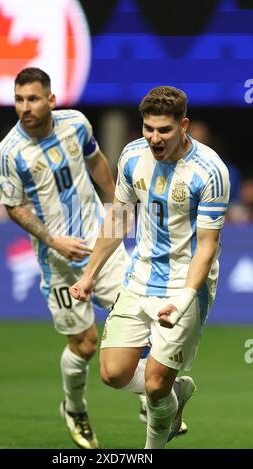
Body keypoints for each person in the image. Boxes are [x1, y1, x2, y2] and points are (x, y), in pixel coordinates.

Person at [70, 86, 230, 449]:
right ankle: (177, 392)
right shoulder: (131, 156)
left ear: (183, 125)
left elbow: (207, 246)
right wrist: (90, 273)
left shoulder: (210, 172)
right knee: (112, 373)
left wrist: (186, 299)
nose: (154, 138)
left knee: (156, 383)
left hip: (183, 282)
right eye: (148, 128)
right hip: (139, 276)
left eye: (164, 130)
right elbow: (119, 219)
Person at [0, 67, 129, 449]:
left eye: (33, 99)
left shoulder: (76, 124)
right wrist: (53, 240)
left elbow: (97, 160)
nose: (25, 107)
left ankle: (148, 399)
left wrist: (117, 201)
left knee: (139, 317)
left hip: (100, 243)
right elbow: (14, 206)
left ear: (51, 100)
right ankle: (74, 408)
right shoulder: (8, 153)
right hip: (59, 262)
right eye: (19, 99)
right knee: (85, 345)